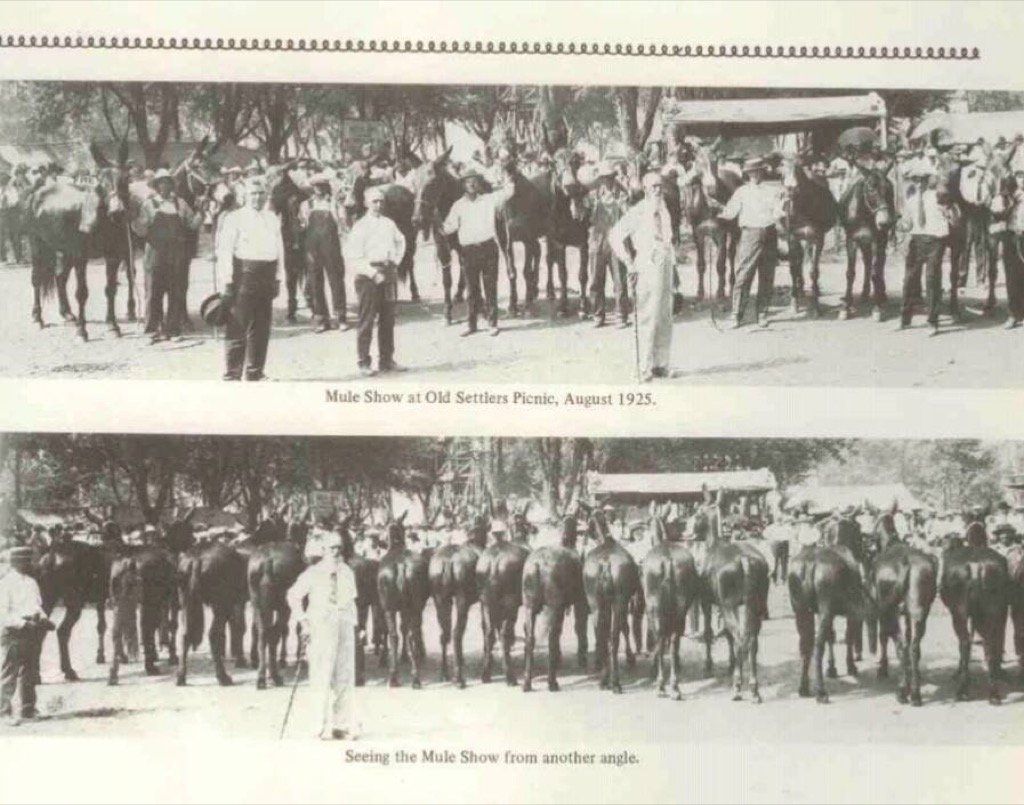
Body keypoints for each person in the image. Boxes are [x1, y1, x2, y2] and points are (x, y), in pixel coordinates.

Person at [287, 530, 360, 740]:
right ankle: (317, 726)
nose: (336, 552)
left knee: (344, 676)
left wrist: (357, 627)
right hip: (321, 628)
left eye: (339, 548)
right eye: (332, 548)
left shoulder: (347, 571)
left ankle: (341, 726)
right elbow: (293, 595)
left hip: (344, 627)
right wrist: (304, 622)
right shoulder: (313, 572)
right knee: (321, 676)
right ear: (324, 550)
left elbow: (351, 600)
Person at [610, 171, 675, 382]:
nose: (658, 190)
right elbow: (615, 235)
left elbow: (667, 240)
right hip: (647, 264)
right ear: (645, 189)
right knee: (648, 315)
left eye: (660, 186)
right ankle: (643, 367)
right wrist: (628, 261)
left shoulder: (664, 210)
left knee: (664, 315)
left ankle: (660, 364)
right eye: (654, 186)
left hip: (665, 263)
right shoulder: (638, 211)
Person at [217, 177, 285, 381]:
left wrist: (278, 277)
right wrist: (227, 281)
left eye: (261, 193)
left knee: (261, 326)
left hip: (267, 275)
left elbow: (279, 250)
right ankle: (232, 373)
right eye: (253, 194)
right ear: (244, 196)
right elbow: (225, 251)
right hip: (244, 274)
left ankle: (255, 372)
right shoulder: (234, 218)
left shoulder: (272, 218)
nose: (257, 197)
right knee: (238, 323)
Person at [442, 169, 515, 337]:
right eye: (468, 181)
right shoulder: (458, 206)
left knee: (490, 287)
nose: (472, 184)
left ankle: (492, 323)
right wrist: (438, 223)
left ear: (479, 183)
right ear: (463, 185)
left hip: (488, 248)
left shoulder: (489, 200)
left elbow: (509, 192)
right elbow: (449, 227)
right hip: (468, 252)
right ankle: (472, 324)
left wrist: (507, 172)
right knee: (472, 290)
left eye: (474, 181)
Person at [344, 186, 407, 376]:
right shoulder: (360, 226)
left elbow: (401, 241)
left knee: (388, 319)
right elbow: (353, 256)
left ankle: (386, 360)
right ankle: (364, 362)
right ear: (366, 203)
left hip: (388, 273)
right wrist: (372, 273)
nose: (378, 205)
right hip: (368, 277)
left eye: (381, 201)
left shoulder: (389, 223)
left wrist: (395, 261)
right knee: (367, 319)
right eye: (374, 201)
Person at [718, 157, 784, 328]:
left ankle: (762, 313)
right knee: (744, 275)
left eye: (758, 172)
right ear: (747, 174)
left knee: (767, 276)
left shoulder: (772, 191)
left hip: (769, 233)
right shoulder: (741, 192)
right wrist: (718, 212)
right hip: (750, 234)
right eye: (752, 173)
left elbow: (778, 212)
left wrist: (783, 208)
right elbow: (730, 213)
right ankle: (736, 315)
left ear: (763, 172)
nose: (755, 175)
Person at [138, 169, 203, 343]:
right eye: (161, 183)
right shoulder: (149, 204)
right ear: (157, 186)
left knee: (176, 291)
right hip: (155, 254)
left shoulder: (180, 203)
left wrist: (201, 212)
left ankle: (173, 329)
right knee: (153, 291)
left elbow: (192, 225)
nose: (164, 186)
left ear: (172, 185)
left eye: (167, 182)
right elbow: (141, 230)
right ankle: (153, 329)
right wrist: (133, 220)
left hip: (176, 255)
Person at [1, 547, 52, 725]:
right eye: (25, 561)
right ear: (15, 563)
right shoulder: (5, 583)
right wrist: (23, 624)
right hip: (13, 632)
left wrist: (44, 619)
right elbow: (2, 614)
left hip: (32, 631)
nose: (29, 564)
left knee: (30, 672)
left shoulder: (32, 582)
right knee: (9, 673)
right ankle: (3, 713)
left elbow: (37, 606)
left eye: (29, 560)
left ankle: (28, 709)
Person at [899, 164, 952, 335]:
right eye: (915, 179)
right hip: (917, 240)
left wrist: (947, 212)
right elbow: (907, 222)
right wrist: (902, 225)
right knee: (909, 279)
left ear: (929, 180)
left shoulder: (939, 196)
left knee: (932, 278)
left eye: (923, 179)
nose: (919, 182)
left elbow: (949, 214)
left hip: (935, 241)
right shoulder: (911, 199)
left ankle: (932, 321)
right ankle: (905, 318)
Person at [301, 173, 349, 333]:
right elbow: (303, 225)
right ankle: (321, 318)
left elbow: (342, 224)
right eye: (316, 186)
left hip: (331, 247)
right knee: (315, 282)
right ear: (312, 188)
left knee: (336, 280)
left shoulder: (334, 203)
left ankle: (341, 317)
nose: (319, 189)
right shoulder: (306, 205)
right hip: (312, 248)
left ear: (326, 187)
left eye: (322, 186)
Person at [587, 162, 630, 329]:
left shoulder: (622, 194)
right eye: (604, 178)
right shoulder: (594, 195)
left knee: (619, 280)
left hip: (616, 241)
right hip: (597, 240)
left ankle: (621, 314)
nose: (607, 181)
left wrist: (620, 203)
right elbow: (585, 215)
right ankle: (598, 314)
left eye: (610, 178)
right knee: (595, 280)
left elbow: (627, 214)